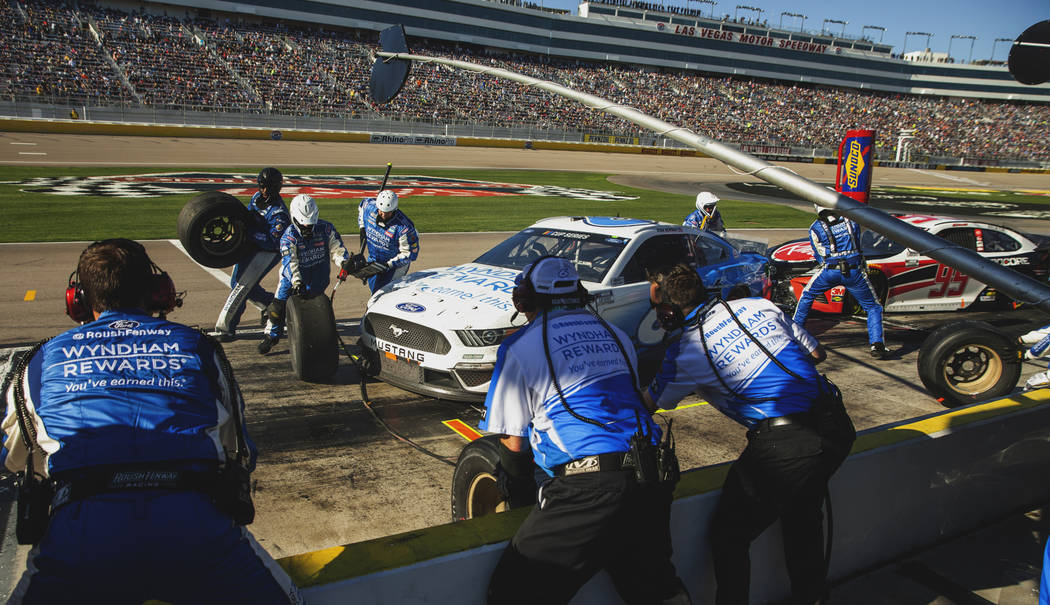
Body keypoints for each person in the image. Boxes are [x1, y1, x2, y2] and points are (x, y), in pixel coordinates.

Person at [1, 239, 303, 604]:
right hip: (194, 528)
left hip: (82, 537)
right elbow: (240, 451)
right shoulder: (200, 347)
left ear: (77, 299)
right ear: (158, 291)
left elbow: (19, 461)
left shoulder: (40, 359)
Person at [480, 256, 690, 605]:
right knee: (655, 589)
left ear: (524, 300)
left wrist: (519, 498)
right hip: (654, 474)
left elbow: (513, 442)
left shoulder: (520, 346)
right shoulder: (616, 335)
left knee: (511, 593)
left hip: (588, 486)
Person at [643, 264, 855, 605]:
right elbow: (817, 353)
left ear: (668, 311)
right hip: (837, 425)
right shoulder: (760, 305)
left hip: (786, 443)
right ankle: (812, 597)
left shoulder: (684, 351)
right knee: (802, 516)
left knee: (729, 535)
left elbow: (649, 404)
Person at [260, 193, 351, 355]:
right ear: (294, 219)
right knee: (277, 308)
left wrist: (344, 261)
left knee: (316, 310)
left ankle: (316, 337)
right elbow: (290, 262)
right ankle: (271, 335)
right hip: (293, 277)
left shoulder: (326, 228)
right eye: (304, 226)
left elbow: (337, 248)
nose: (308, 229)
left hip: (318, 274)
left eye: (311, 225)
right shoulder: (288, 237)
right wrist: (297, 281)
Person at [793, 206, 887, 359]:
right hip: (854, 271)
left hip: (830, 271)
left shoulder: (815, 227)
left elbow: (818, 254)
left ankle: (794, 334)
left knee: (807, 296)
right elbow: (859, 242)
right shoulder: (851, 221)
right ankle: (877, 345)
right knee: (873, 307)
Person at [213, 167, 289, 341]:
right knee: (240, 283)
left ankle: (226, 329)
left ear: (276, 188)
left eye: (267, 187)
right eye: (261, 186)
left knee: (241, 286)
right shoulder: (256, 198)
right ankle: (274, 306)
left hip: (268, 252)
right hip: (251, 247)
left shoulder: (279, 214)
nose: (263, 191)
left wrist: (248, 233)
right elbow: (247, 218)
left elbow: (273, 241)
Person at [357, 190, 419, 293]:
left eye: (388, 212)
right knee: (375, 291)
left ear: (394, 209)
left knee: (383, 293)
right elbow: (361, 206)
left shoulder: (404, 228)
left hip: (395, 266)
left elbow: (410, 254)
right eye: (381, 211)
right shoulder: (369, 206)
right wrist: (362, 228)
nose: (384, 215)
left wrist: (387, 265)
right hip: (374, 259)